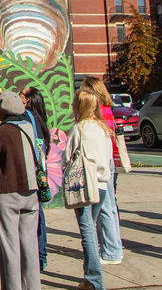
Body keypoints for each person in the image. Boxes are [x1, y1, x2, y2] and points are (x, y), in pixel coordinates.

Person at [0, 91, 41, 290]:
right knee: (29, 246)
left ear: (2, 108)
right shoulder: (29, 128)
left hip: (7, 192)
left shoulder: (1, 132)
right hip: (31, 192)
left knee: (9, 246)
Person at [63, 92, 115, 290]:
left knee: (88, 233)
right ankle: (89, 278)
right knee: (91, 228)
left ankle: (94, 280)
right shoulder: (103, 129)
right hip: (101, 185)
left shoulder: (79, 129)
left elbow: (66, 157)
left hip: (84, 185)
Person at [80, 77, 124, 265]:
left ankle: (111, 250)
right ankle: (114, 247)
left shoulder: (98, 112)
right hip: (108, 159)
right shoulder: (107, 109)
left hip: (100, 161)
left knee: (105, 207)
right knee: (110, 206)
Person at [20, 87, 52, 271]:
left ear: (28, 101)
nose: (19, 96)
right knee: (38, 214)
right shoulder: (39, 119)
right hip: (38, 172)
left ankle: (38, 257)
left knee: (35, 215)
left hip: (31, 173)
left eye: (22, 95)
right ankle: (41, 255)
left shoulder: (27, 118)